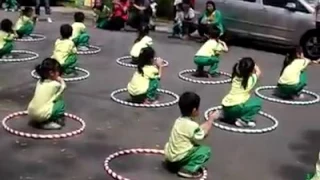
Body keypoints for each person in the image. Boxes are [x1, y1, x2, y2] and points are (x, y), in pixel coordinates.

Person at [164, 92, 218, 178]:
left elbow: (198, 130)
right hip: (179, 159)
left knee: (170, 144)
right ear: (194, 110)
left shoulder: (179, 121)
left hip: (171, 158)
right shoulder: (191, 125)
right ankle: (187, 170)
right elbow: (203, 134)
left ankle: (171, 164)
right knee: (205, 151)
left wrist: (207, 122)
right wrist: (211, 119)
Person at [221, 57, 262, 128]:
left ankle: (228, 116)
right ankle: (244, 121)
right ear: (251, 70)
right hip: (236, 108)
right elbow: (259, 72)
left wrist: (242, 62)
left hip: (225, 107)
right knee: (257, 102)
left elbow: (237, 68)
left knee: (240, 101)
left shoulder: (235, 77)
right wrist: (254, 64)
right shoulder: (251, 79)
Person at [28, 58, 66, 130]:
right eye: (58, 71)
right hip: (41, 115)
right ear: (51, 73)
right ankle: (47, 122)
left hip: (31, 112)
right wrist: (61, 80)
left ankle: (40, 119)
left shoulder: (39, 81)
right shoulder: (55, 85)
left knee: (48, 101)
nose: (59, 74)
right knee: (60, 102)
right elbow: (63, 88)